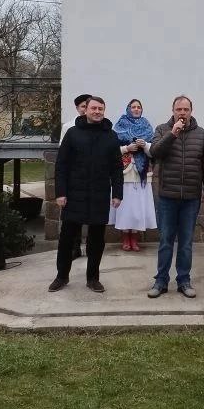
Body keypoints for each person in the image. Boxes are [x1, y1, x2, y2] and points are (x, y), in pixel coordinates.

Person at [48, 96, 123, 294]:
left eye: (100, 109)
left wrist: (117, 193)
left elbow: (117, 168)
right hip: (74, 195)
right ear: (86, 110)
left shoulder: (111, 136)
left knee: (96, 241)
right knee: (67, 239)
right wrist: (60, 193)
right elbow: (61, 165)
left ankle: (93, 278)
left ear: (104, 111)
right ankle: (61, 276)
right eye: (93, 108)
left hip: (99, 195)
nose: (97, 112)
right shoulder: (73, 133)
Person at [147, 95, 204, 298]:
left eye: (186, 109)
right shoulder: (162, 130)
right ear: (173, 111)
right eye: (179, 109)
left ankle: (184, 280)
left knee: (185, 243)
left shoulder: (201, 134)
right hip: (167, 196)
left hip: (191, 198)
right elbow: (155, 152)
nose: (182, 113)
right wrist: (172, 134)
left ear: (191, 111)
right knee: (166, 241)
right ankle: (161, 281)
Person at [110, 98, 156, 250]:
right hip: (125, 172)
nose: (136, 109)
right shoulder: (120, 125)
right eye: (133, 107)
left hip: (142, 173)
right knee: (126, 207)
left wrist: (146, 145)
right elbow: (111, 150)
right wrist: (127, 148)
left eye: (139, 107)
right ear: (128, 109)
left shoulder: (147, 126)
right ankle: (125, 238)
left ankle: (134, 239)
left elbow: (154, 150)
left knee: (138, 206)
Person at [60, 94, 92, 260]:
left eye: (88, 106)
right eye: (82, 106)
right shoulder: (69, 127)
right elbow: (63, 153)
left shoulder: (98, 126)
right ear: (78, 108)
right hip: (75, 177)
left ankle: (91, 247)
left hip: (92, 177)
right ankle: (75, 247)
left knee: (93, 215)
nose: (85, 110)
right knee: (75, 216)